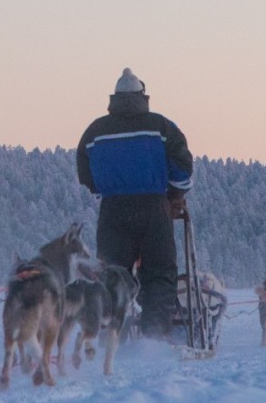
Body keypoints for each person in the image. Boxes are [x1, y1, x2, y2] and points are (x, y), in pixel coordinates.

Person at [76, 68, 193, 338]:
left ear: (114, 97)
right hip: (154, 208)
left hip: (113, 211)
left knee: (111, 275)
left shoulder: (94, 131)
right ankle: (154, 339)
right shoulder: (161, 127)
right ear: (143, 96)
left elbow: (86, 173)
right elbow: (183, 166)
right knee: (160, 274)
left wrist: (101, 191)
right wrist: (174, 195)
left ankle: (109, 337)